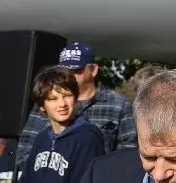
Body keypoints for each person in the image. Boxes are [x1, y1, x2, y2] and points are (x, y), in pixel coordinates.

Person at [16, 42, 136, 172]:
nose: (68, 74)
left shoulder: (119, 105)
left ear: (93, 70)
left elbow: (128, 154)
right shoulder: (47, 103)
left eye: (76, 70)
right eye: (64, 70)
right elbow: (25, 151)